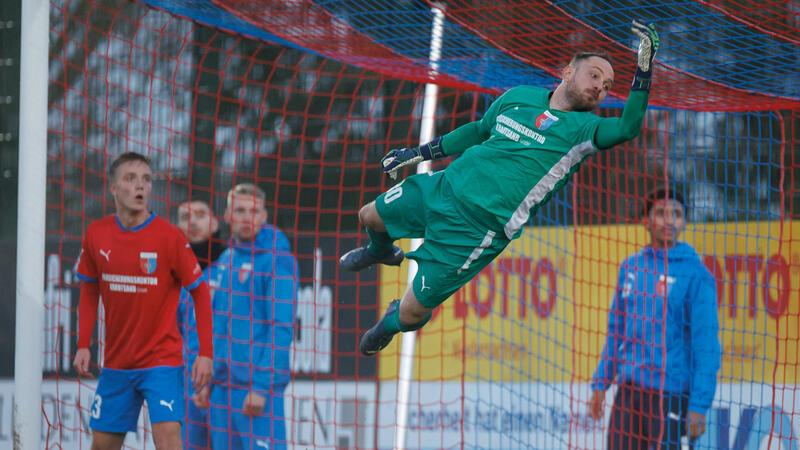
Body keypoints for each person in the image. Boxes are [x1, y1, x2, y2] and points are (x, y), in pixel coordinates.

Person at [340, 20, 661, 355]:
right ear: (568, 72)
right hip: (444, 187)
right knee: (369, 216)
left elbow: (627, 127)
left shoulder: (585, 131)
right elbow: (478, 131)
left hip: (476, 231)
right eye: (594, 75)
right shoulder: (518, 96)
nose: (600, 87)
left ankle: (389, 323)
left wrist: (644, 68)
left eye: (608, 86)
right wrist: (417, 153)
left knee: (411, 313)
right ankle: (380, 250)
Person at [73, 152, 213, 450]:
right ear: (113, 187)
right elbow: (88, 290)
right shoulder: (96, 234)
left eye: (146, 180)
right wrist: (83, 343)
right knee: (101, 445)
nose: (140, 186)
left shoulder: (170, 236)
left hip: (161, 361)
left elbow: (201, 293)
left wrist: (206, 353)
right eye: (131, 178)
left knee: (168, 439)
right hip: (117, 363)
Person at [588, 188, 721, 449]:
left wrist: (699, 405)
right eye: (661, 213)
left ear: (684, 222)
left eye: (677, 214)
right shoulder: (631, 267)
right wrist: (601, 384)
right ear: (645, 220)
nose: (669, 220)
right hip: (629, 394)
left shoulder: (697, 274)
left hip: (670, 395)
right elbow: (616, 332)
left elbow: (706, 346)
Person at [198, 183, 298, 449]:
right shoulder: (226, 260)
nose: (246, 217)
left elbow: (281, 328)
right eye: (239, 210)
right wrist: (210, 381)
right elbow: (218, 326)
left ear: (264, 217)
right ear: (228, 216)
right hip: (222, 390)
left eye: (253, 211)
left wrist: (261, 386)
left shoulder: (277, 259)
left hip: (256, 391)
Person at [175, 199, 225, 449]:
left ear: (215, 222)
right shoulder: (173, 274)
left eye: (200, 215)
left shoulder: (231, 266)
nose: (192, 221)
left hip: (227, 378)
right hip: (187, 382)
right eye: (185, 216)